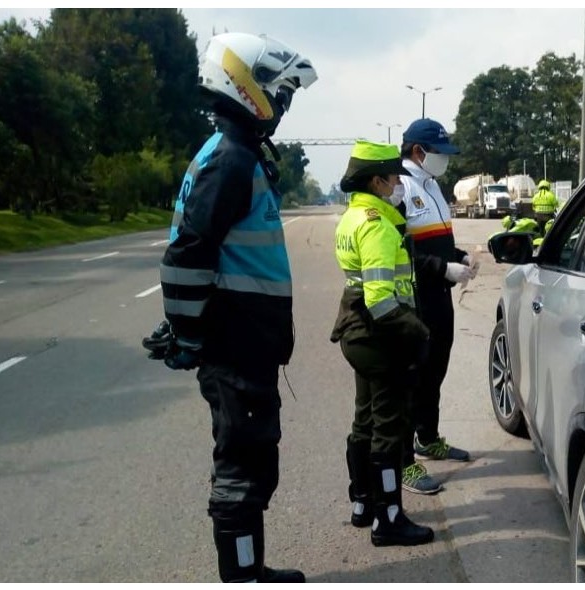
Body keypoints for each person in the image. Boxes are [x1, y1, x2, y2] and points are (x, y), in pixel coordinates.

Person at [154, 32, 316, 583]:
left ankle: (253, 569)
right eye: (282, 93)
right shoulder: (229, 158)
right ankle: (243, 578)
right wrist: (188, 332)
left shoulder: (235, 153)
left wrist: (187, 324)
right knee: (242, 466)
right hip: (236, 345)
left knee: (253, 457)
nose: (285, 105)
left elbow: (208, 255)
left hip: (243, 340)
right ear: (246, 86)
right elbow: (187, 252)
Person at [330, 140, 436, 546]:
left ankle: (362, 504)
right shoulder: (376, 224)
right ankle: (388, 519)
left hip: (357, 333)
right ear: (377, 180)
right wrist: (419, 333)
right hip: (379, 336)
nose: (398, 185)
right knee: (389, 430)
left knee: (365, 420)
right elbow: (381, 301)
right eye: (394, 178)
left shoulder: (353, 216)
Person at [397, 118, 477, 495]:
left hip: (439, 296)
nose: (444, 160)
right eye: (438, 153)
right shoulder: (399, 187)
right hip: (414, 299)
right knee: (410, 379)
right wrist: (442, 267)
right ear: (418, 152)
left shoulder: (432, 186)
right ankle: (402, 463)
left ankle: (426, 438)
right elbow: (399, 252)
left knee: (435, 372)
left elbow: (437, 242)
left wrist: (459, 257)